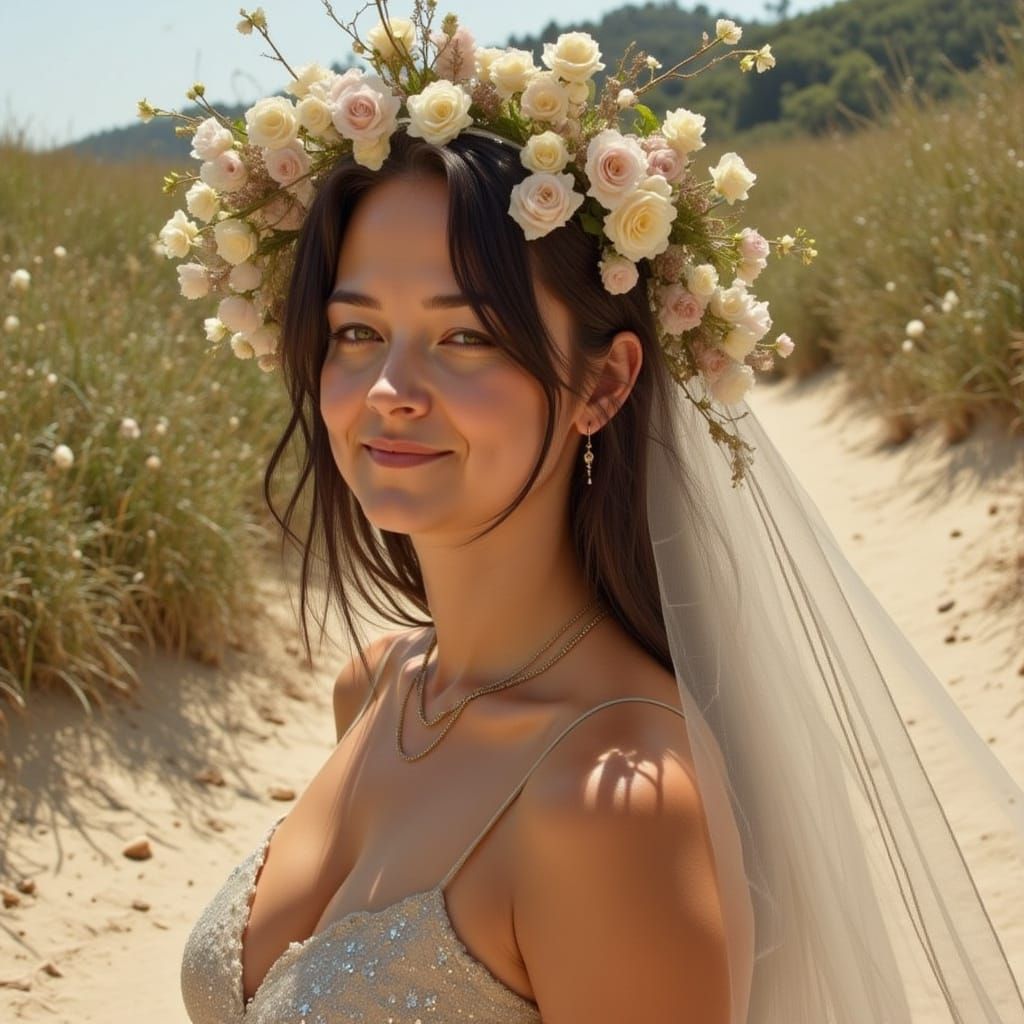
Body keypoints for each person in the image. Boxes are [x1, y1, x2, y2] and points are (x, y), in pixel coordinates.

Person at [166, 8, 1024, 1023]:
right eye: (357, 329)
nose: (390, 387)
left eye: (468, 337)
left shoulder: (609, 800)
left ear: (604, 384)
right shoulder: (380, 688)